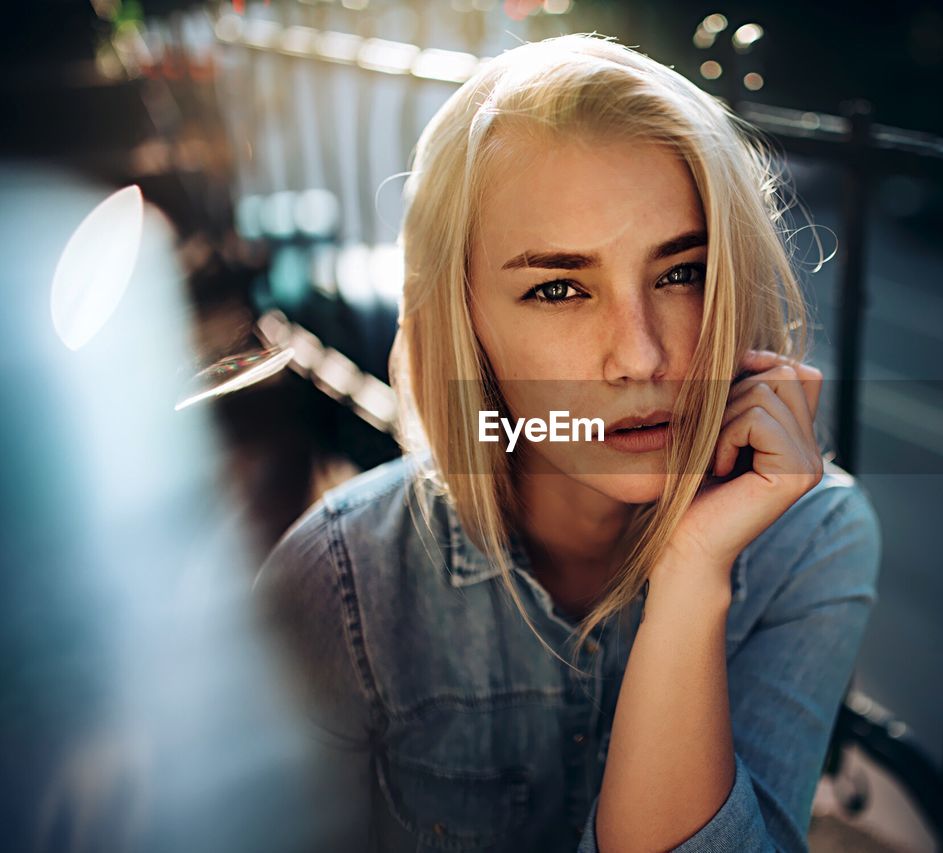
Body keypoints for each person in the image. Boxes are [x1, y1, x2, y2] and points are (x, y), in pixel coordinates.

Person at [253, 32, 881, 853]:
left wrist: (692, 577)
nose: (642, 355)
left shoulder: (813, 542)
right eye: (558, 288)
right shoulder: (343, 585)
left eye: (681, 272)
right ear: (466, 318)